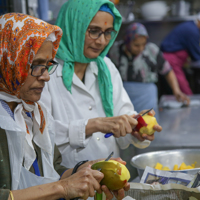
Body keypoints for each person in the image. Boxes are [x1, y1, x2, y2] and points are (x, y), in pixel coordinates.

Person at [0, 13, 129, 200]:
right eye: (35, 65)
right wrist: (62, 188)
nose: (45, 76)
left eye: (47, 65)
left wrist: (84, 171)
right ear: (7, 62)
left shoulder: (33, 114)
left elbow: (52, 171)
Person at [40, 0, 162, 170]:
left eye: (108, 32)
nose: (102, 41)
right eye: (94, 31)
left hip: (110, 178)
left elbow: (121, 115)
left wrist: (135, 128)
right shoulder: (45, 71)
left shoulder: (106, 67)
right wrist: (95, 125)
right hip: (66, 182)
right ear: (73, 26)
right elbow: (40, 134)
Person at [109, 22, 190, 116]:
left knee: (147, 124)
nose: (140, 48)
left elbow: (168, 71)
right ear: (127, 41)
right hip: (123, 96)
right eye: (136, 45)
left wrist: (176, 90)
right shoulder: (115, 51)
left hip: (147, 97)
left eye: (143, 44)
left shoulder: (151, 51)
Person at [160, 13, 200, 95]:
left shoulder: (190, 26)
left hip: (174, 60)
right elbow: (196, 55)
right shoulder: (192, 31)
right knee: (182, 87)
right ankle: (189, 103)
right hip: (171, 59)